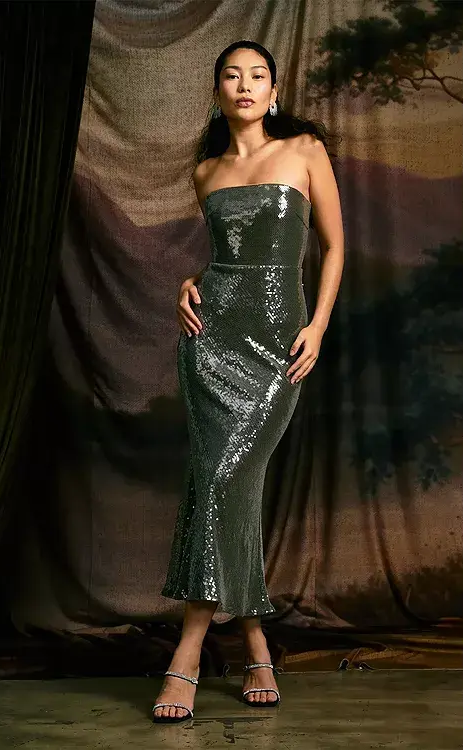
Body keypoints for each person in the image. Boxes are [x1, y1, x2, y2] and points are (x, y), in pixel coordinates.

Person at [152, 40, 344, 723]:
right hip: (210, 342)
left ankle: (190, 652)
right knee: (223, 486)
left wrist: (317, 326)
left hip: (278, 344)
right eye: (232, 76)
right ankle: (255, 643)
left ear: (273, 90)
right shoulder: (205, 172)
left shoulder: (305, 151)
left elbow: (333, 246)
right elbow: (225, 257)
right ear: (217, 92)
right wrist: (190, 280)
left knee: (226, 480)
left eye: (257, 76)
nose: (245, 85)